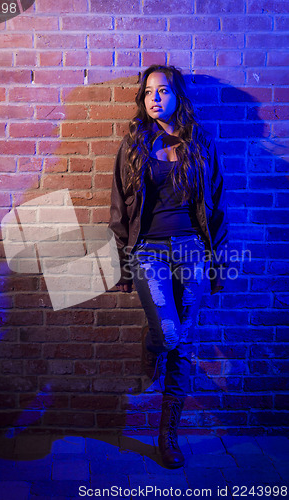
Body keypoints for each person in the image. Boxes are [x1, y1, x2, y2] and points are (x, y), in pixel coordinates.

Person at [108, 65, 229, 468]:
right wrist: (124, 268)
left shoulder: (201, 144)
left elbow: (216, 209)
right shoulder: (134, 146)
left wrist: (218, 264)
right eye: (148, 92)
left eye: (162, 90)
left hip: (193, 249)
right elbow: (118, 212)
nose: (155, 98)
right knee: (170, 332)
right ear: (142, 101)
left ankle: (168, 436)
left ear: (177, 94)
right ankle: (152, 342)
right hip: (149, 250)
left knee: (184, 346)